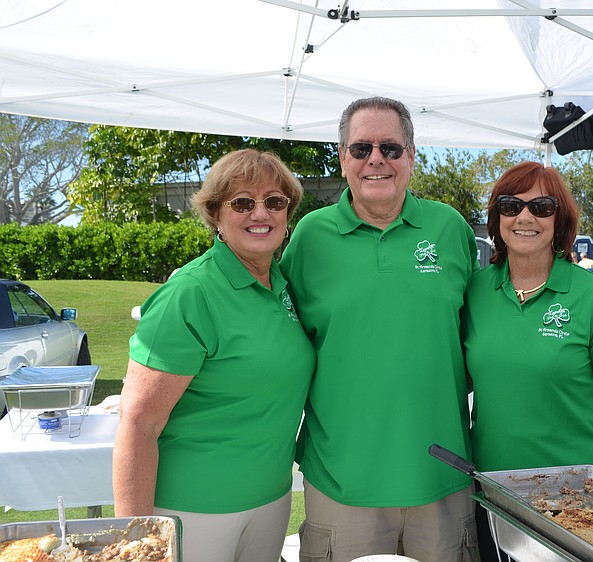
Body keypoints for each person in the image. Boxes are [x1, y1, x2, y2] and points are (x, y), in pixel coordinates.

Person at [281, 96, 480, 562]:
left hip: (442, 476)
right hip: (341, 478)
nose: (376, 159)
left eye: (391, 148)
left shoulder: (450, 229)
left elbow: (473, 342)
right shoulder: (310, 237)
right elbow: (285, 343)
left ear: (411, 156)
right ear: (343, 158)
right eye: (361, 148)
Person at [113, 149, 315, 562]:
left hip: (271, 499)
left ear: (287, 214)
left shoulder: (281, 283)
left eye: (274, 202)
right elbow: (138, 423)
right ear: (215, 214)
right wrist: (133, 538)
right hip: (191, 510)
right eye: (242, 202)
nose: (260, 213)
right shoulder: (189, 293)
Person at [462, 161, 593, 562]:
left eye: (541, 207)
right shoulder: (474, 292)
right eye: (511, 206)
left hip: (581, 499)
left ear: (559, 220)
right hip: (496, 497)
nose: (525, 216)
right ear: (496, 218)